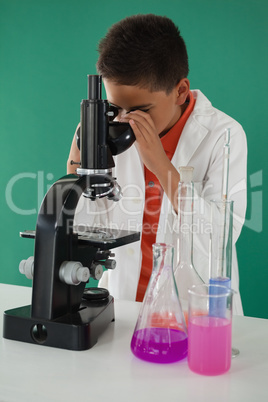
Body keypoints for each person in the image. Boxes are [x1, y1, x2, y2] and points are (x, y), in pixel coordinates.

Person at [67, 14, 247, 315]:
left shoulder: (224, 136)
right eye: (116, 108)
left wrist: (161, 165)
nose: (125, 120)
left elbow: (220, 239)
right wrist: (78, 163)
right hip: (123, 309)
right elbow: (87, 228)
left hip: (196, 314)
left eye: (140, 110)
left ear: (179, 90)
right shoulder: (108, 132)